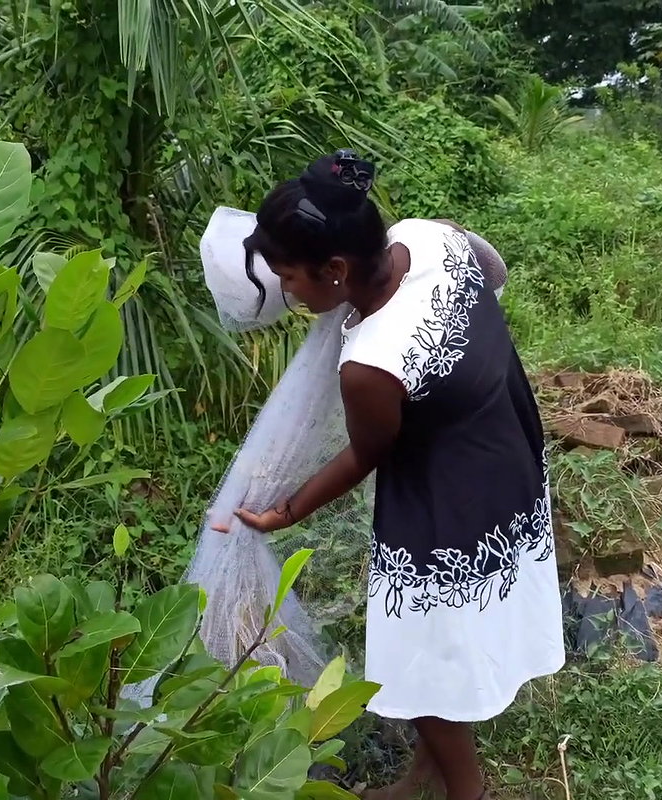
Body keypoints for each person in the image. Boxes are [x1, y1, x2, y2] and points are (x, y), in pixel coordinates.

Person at [226, 150, 565, 800]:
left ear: (336, 269)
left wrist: (285, 510)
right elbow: (492, 270)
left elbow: (367, 453)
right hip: (504, 449)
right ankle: (419, 777)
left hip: (448, 498)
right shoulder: (427, 236)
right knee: (443, 647)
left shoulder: (373, 362)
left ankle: (469, 793)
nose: (288, 292)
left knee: (423, 658)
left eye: (291, 277)